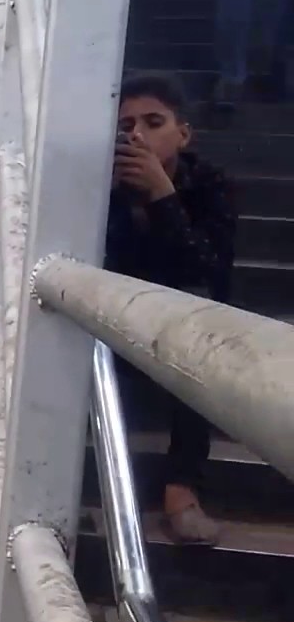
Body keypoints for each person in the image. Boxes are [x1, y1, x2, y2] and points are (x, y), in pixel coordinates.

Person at [106, 73, 237, 544]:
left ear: (183, 133)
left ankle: (181, 491)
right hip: (115, 317)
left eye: (153, 122)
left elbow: (208, 272)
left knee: (203, 337)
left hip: (184, 317)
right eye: (126, 125)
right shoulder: (100, 188)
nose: (137, 134)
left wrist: (163, 196)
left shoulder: (211, 186)